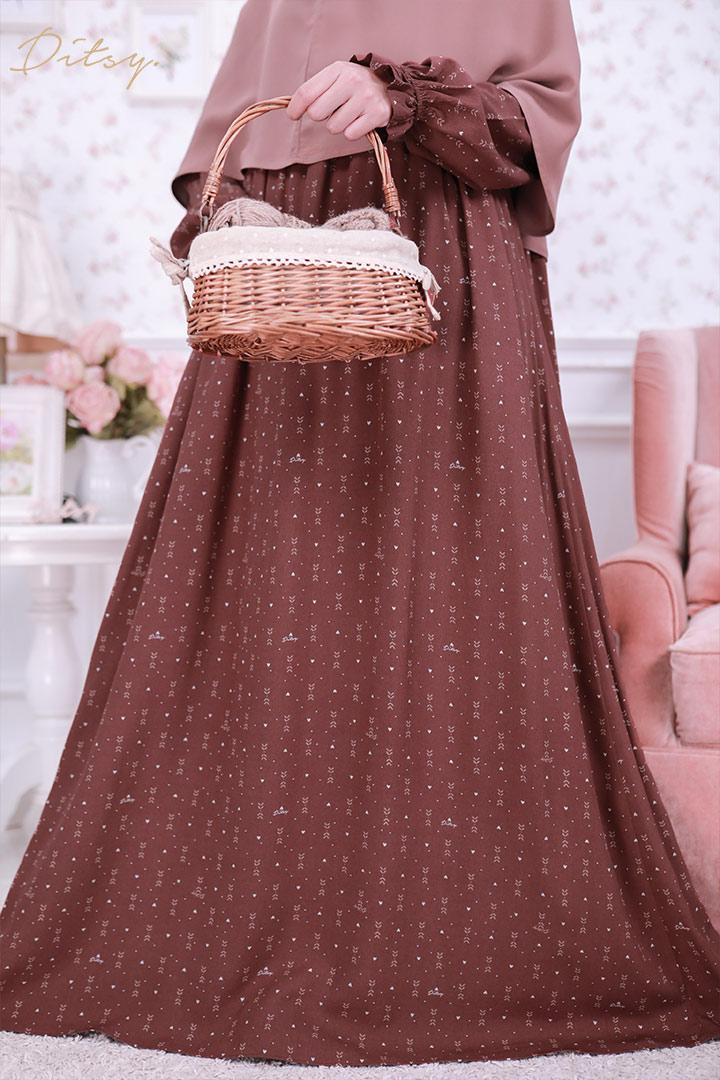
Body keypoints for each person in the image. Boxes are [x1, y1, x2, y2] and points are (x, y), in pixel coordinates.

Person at [1, 0, 719, 1069]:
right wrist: (239, 214)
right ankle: (248, 903)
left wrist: (402, 96)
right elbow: (222, 150)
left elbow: (534, 121)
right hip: (287, 278)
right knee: (272, 589)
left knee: (458, 591)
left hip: (451, 273)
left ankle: (447, 927)